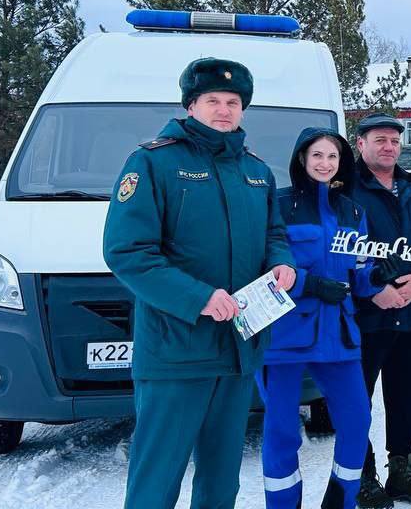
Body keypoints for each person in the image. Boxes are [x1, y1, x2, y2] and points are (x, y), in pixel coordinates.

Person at [103, 57, 296, 509]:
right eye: (213, 100)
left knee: (221, 479)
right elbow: (127, 252)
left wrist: (282, 263)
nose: (224, 110)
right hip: (176, 352)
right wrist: (200, 297)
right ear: (191, 104)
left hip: (236, 350)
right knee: (157, 479)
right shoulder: (153, 162)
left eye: (233, 102)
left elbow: (274, 234)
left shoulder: (256, 171)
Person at [260, 128, 376, 508]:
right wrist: (309, 285)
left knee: (357, 421)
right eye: (317, 156)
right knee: (281, 433)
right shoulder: (278, 205)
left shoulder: (354, 212)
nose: (325, 164)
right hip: (284, 334)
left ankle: (340, 502)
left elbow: (360, 275)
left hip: (338, 335)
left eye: (333, 157)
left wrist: (381, 272)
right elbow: (261, 267)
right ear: (301, 159)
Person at [348, 113, 411, 509]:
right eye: (379, 140)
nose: (388, 147)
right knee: (356, 400)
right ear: (360, 143)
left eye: (394, 140)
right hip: (363, 319)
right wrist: (373, 290)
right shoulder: (346, 189)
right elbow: (335, 249)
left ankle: (403, 472)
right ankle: (360, 475)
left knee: (409, 397)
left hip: (408, 316)